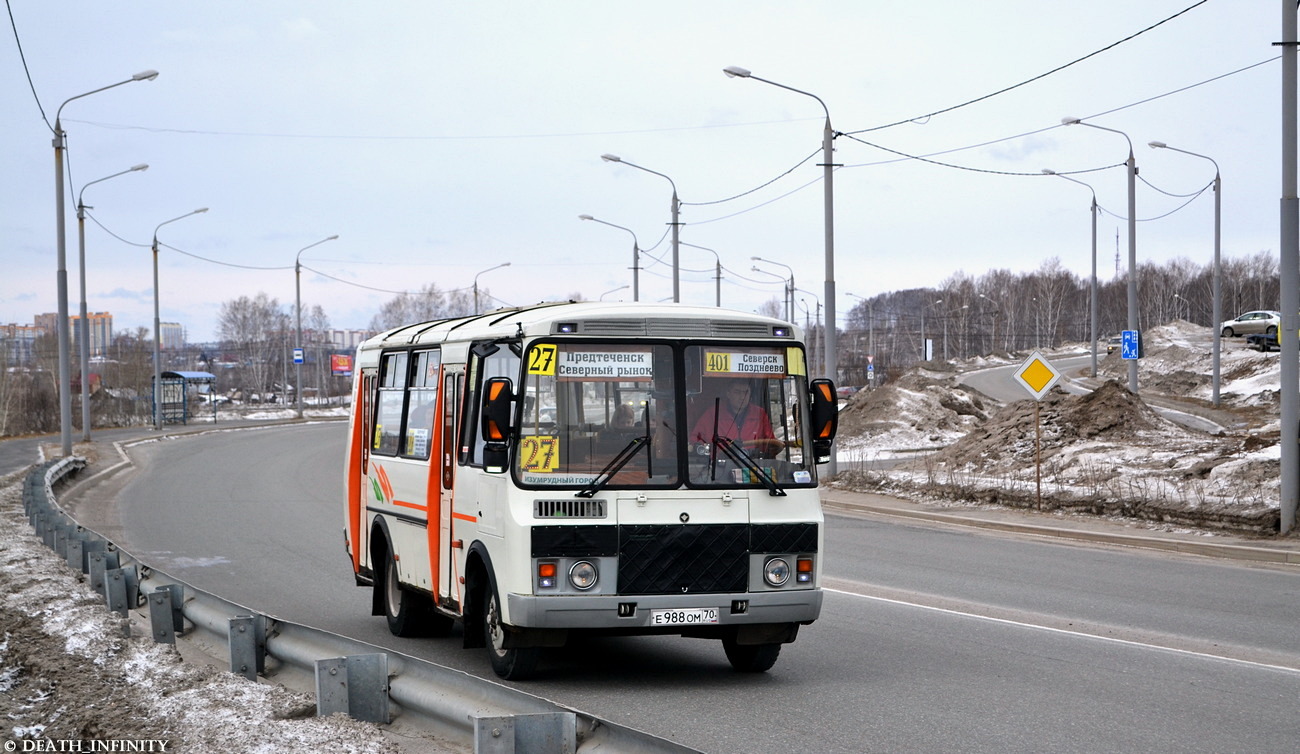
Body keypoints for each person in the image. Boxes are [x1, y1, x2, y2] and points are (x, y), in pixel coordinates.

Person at [690, 379, 780, 454]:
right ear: (728, 394)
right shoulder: (713, 414)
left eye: (745, 393)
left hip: (753, 467)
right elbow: (695, 441)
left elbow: (770, 444)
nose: (742, 397)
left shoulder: (759, 414)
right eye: (737, 392)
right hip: (719, 468)